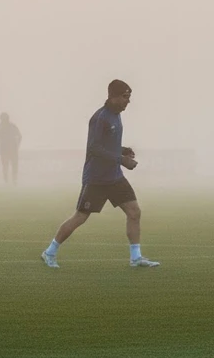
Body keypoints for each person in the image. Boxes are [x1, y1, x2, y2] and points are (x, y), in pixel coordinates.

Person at [41, 80, 159, 269]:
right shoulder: (100, 118)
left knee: (134, 211)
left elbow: (108, 145)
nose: (128, 101)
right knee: (80, 217)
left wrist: (123, 150)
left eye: (129, 97)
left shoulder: (117, 116)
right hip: (96, 179)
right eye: (125, 97)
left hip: (115, 177)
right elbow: (94, 148)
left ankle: (136, 258)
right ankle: (49, 252)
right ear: (113, 96)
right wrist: (121, 159)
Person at [0, 113, 22, 184]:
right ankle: (8, 181)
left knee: (12, 165)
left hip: (11, 149)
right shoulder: (0, 127)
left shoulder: (9, 126)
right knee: (6, 166)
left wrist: (17, 145)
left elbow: (19, 136)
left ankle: (13, 180)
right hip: (6, 150)